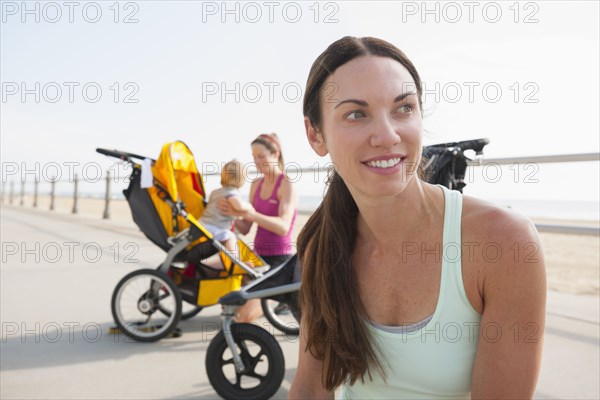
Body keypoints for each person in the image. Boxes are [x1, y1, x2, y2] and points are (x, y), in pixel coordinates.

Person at [289, 36, 546, 399]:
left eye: (403, 108)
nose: (387, 135)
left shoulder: (503, 243)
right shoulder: (324, 244)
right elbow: (310, 390)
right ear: (316, 136)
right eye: (356, 114)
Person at [218, 133, 298, 323]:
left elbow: (283, 227)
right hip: (257, 256)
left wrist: (249, 214)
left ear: (275, 153)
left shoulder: (286, 184)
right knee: (209, 267)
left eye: (261, 156)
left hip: (279, 260)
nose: (256, 162)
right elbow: (246, 228)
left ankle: (277, 301)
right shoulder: (256, 184)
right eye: (253, 157)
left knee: (242, 317)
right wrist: (230, 213)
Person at [199, 159, 252, 257]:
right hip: (215, 227)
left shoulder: (215, 192)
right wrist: (250, 206)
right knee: (231, 237)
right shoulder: (232, 192)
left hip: (202, 224)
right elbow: (238, 206)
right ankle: (235, 261)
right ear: (241, 180)